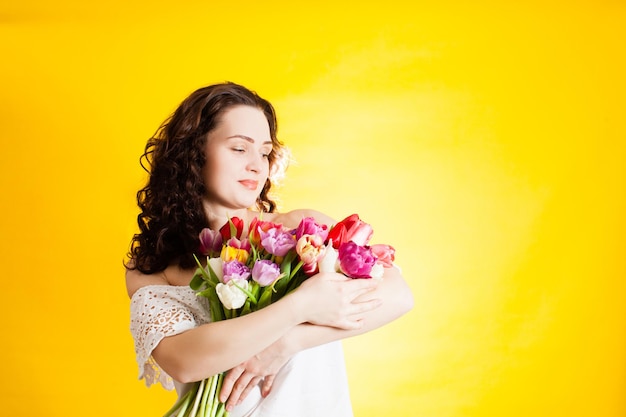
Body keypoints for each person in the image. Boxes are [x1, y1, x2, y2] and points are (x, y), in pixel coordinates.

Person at [125, 82, 414, 416]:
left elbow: (397, 295)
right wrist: (301, 305)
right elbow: (185, 361)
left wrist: (286, 343)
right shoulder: (152, 268)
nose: (256, 166)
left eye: (264, 152)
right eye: (239, 149)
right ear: (194, 153)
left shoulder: (303, 231)